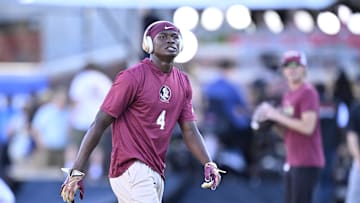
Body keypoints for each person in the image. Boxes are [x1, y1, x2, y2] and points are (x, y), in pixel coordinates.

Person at [60, 20, 225, 203]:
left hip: (156, 168)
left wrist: (208, 162)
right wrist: (77, 171)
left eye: (174, 37)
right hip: (132, 166)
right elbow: (100, 123)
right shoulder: (132, 77)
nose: (170, 40)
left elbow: (190, 130)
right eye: (162, 37)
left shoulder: (182, 82)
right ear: (148, 44)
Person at [254, 50, 325, 203]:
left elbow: (308, 127)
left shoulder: (308, 92)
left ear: (304, 68)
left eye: (296, 65)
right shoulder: (288, 95)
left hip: (307, 161)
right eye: (287, 66)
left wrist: (276, 115)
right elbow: (287, 132)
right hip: (293, 160)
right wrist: (271, 122)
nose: (291, 69)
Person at [66, 63, 113, 180]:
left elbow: (74, 102)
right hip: (98, 120)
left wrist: (70, 121)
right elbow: (111, 103)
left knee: (74, 145)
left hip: (80, 119)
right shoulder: (103, 79)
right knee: (97, 147)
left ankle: (70, 171)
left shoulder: (81, 79)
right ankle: (95, 171)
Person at [345, 95, 360, 203]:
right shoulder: (356, 108)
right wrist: (358, 157)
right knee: (353, 198)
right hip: (359, 161)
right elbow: (351, 136)